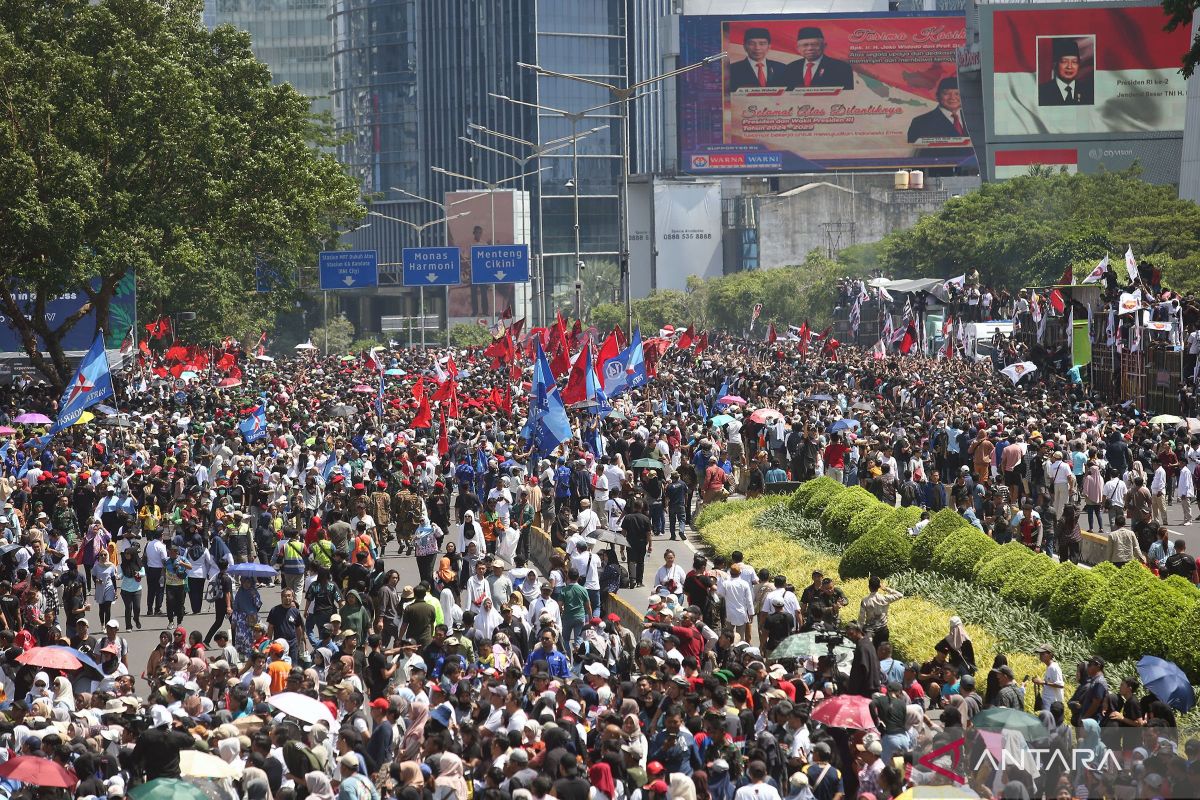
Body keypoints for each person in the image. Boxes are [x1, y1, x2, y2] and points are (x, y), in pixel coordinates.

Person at [906, 78, 970, 150]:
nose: (952, 97)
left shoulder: (973, 119)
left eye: (957, 93)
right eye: (946, 93)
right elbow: (916, 153)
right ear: (937, 96)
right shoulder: (920, 122)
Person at [785, 27, 853, 90]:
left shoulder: (841, 68)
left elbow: (847, 95)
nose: (810, 48)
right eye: (805, 45)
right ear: (798, 48)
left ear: (824, 46)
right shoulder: (791, 68)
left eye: (814, 44)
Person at [1037, 37, 1093, 106]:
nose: (1069, 66)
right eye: (1064, 61)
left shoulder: (1088, 91)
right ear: (1055, 64)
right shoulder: (1043, 92)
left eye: (1074, 62)